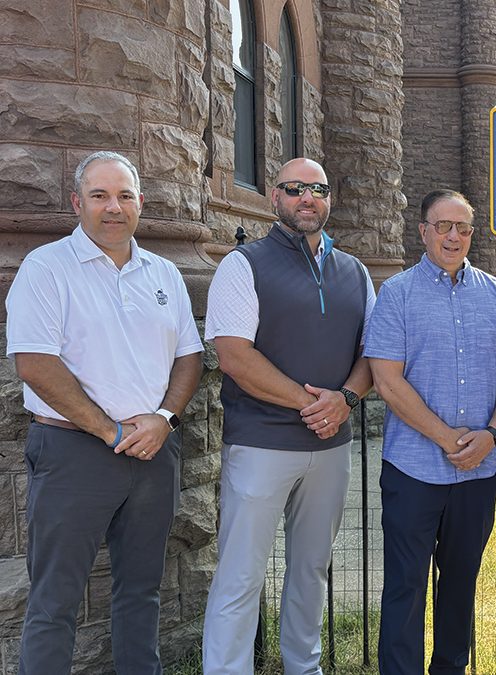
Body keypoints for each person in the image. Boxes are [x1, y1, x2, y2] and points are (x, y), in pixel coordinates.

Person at [5, 151, 204, 674]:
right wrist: (109, 430)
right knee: (55, 601)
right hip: (73, 452)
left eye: (124, 196)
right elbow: (35, 363)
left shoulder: (163, 273)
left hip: (154, 452)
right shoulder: (46, 268)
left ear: (140, 203)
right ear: (78, 203)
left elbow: (190, 357)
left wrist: (165, 418)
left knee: (142, 592)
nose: (113, 207)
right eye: (99, 195)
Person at [202, 158, 375, 674]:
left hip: (331, 447)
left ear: (329, 199)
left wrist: (345, 400)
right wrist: (313, 404)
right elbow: (234, 355)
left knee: (311, 570)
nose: (307, 198)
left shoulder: (355, 272)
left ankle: (304, 666)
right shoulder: (244, 264)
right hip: (260, 444)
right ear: (274, 197)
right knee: (241, 575)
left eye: (317, 189)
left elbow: (375, 352)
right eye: (295, 188)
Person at [364, 189, 496, 674]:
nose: (453, 236)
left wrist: (493, 434)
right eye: (443, 226)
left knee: (460, 584)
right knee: (405, 585)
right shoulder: (397, 294)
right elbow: (386, 380)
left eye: (463, 228)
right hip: (413, 471)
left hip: (480, 472)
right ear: (423, 231)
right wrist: (446, 437)